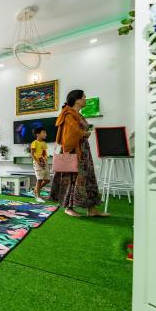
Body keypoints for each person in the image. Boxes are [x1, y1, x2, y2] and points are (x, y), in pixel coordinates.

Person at [50, 89, 109, 217]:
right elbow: (72, 133)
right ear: (77, 100)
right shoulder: (69, 114)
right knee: (72, 179)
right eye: (84, 97)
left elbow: (76, 131)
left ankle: (91, 209)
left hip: (82, 150)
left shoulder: (77, 114)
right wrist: (85, 133)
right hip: (73, 151)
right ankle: (68, 208)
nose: (85, 99)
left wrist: (84, 134)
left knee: (87, 178)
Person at [30, 127, 50, 203]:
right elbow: (32, 154)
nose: (46, 134)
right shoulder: (34, 143)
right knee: (39, 179)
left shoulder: (44, 143)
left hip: (45, 163)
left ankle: (35, 190)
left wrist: (47, 163)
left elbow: (44, 153)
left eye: (46, 132)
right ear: (37, 134)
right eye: (44, 132)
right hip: (38, 163)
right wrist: (37, 162)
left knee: (47, 180)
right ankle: (38, 196)